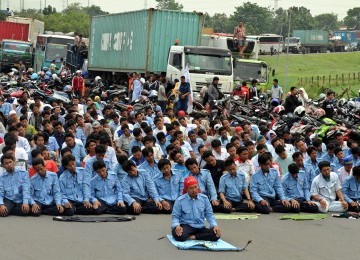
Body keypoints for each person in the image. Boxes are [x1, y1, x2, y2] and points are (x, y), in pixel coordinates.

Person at [171, 176, 221, 242]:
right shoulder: (180, 200)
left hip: (200, 226)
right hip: (187, 226)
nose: (194, 190)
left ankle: (192, 237)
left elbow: (209, 215)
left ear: (198, 187)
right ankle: (199, 237)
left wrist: (215, 226)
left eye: (195, 187)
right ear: (186, 189)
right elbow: (175, 217)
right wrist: (177, 226)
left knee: (216, 235)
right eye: (191, 188)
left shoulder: (204, 198)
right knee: (179, 235)